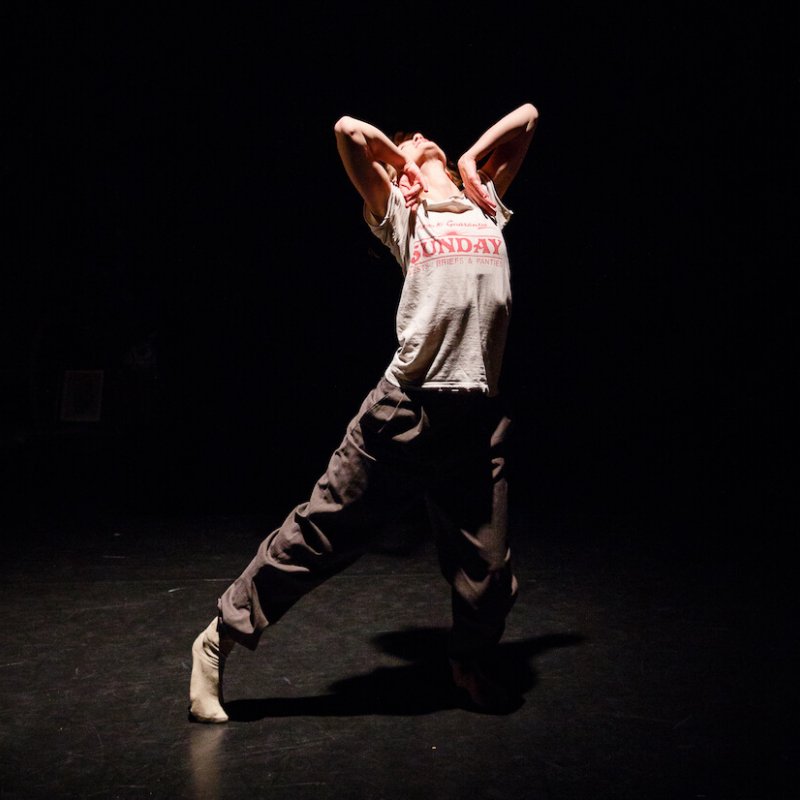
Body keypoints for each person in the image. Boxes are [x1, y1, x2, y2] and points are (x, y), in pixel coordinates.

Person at [189, 102, 539, 723]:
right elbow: (348, 131)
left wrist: (465, 164)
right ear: (399, 173)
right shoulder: (403, 217)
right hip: (404, 412)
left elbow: (530, 117)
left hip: (478, 420)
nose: (427, 136)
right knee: (318, 535)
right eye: (413, 141)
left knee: (488, 571)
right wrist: (403, 163)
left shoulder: (486, 204)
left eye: (433, 136)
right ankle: (219, 637)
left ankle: (467, 661)